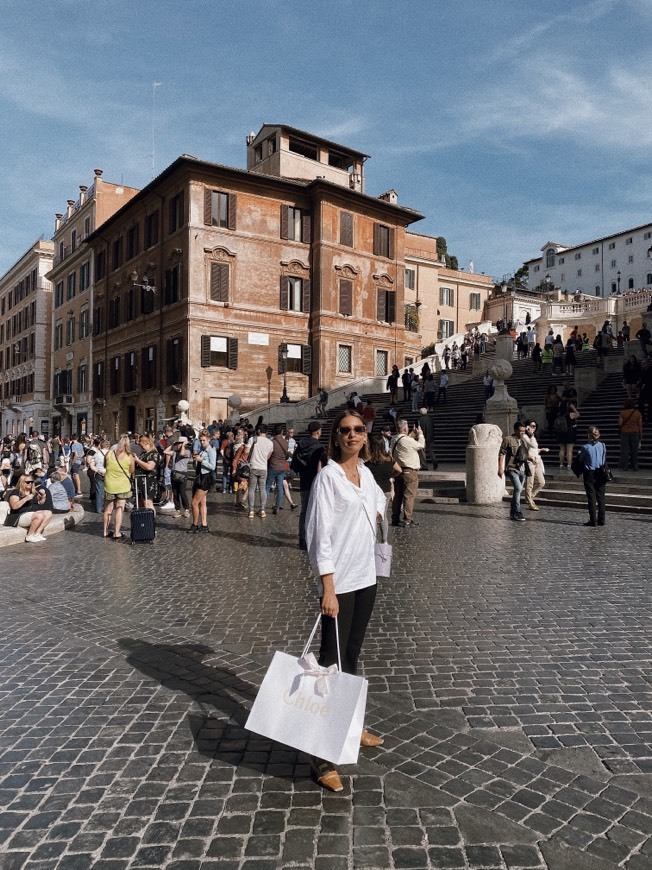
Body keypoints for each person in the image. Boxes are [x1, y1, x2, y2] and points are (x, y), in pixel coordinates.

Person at [305, 410, 386, 793]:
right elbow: (318, 535)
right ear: (335, 437)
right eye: (345, 431)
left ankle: (352, 727)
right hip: (339, 582)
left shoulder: (366, 475)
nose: (353, 435)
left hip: (365, 577)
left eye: (358, 430)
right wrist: (328, 587)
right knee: (331, 663)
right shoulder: (328, 478)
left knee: (351, 655)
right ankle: (322, 758)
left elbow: (377, 510)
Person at [292, 422, 328, 549]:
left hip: (304, 481)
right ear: (318, 431)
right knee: (316, 512)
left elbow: (294, 465)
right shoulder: (320, 448)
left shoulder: (300, 445)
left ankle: (302, 538)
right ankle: (313, 538)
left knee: (304, 511)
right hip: (317, 483)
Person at [365, 434, 399, 544]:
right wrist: (391, 476)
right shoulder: (389, 459)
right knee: (383, 515)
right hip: (386, 490)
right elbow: (399, 470)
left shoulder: (368, 461)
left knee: (372, 514)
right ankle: (384, 540)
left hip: (372, 491)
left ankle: (372, 538)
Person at [391, 418, 424, 527]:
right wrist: (420, 435)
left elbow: (406, 440)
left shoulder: (394, 438)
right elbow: (420, 445)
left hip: (398, 471)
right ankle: (407, 519)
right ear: (405, 428)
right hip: (409, 472)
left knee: (398, 496)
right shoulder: (407, 440)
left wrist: (412, 434)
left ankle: (395, 518)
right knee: (409, 496)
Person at [103, 435, 135, 540]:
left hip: (109, 484)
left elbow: (105, 466)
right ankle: (117, 532)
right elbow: (131, 471)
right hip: (123, 485)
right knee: (119, 508)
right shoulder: (129, 456)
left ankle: (105, 531)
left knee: (108, 509)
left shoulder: (109, 453)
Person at [5, 474, 53, 542]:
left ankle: (37, 533)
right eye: (28, 482)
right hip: (19, 516)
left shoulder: (33, 492)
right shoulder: (16, 492)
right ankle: (29, 536)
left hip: (31, 514)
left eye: (32, 482)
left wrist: (43, 496)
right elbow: (14, 506)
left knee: (49, 513)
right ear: (22, 482)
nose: (30, 483)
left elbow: (40, 502)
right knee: (39, 515)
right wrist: (26, 498)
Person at [577, 426, 608, 527]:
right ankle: (602, 519)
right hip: (600, 472)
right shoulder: (603, 445)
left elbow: (581, 460)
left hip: (589, 473)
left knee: (591, 497)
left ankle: (593, 520)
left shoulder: (585, 447)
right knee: (601, 497)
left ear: (588, 435)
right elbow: (603, 459)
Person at [498, 421, 528, 522]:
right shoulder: (508, 439)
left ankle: (512, 512)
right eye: (520, 431)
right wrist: (500, 468)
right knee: (518, 488)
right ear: (515, 430)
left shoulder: (523, 441)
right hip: (512, 468)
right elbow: (502, 453)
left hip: (523, 469)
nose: (522, 433)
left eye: (524, 431)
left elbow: (524, 455)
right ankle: (517, 511)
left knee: (518, 491)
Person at [187, 429, 217, 533]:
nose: (202, 442)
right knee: (202, 502)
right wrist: (196, 461)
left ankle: (194, 524)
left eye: (204, 440)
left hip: (206, 478)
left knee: (194, 502)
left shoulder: (211, 451)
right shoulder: (202, 451)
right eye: (200, 440)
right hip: (199, 476)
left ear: (208, 440)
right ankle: (204, 525)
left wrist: (202, 461)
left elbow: (213, 466)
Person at [245, 424, 273, 519]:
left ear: (258, 431)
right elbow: (268, 456)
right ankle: (262, 510)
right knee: (262, 489)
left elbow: (246, 452)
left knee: (251, 489)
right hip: (263, 468)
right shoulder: (270, 442)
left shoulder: (252, 439)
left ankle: (251, 511)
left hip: (253, 467)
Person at [522, 420, 548, 510]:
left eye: (535, 426)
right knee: (530, 483)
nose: (534, 428)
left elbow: (534, 448)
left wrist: (541, 449)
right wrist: (531, 434)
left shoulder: (532, 437)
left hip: (536, 461)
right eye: (532, 426)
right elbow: (531, 445)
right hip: (530, 461)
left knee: (541, 482)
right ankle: (530, 502)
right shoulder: (525, 436)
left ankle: (530, 497)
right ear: (527, 427)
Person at [265, 425, 290, 515]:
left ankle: (263, 507)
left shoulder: (271, 442)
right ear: (282, 432)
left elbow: (269, 454)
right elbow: (286, 455)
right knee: (280, 487)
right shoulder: (285, 442)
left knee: (267, 487)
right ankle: (277, 506)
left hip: (272, 466)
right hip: (282, 467)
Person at [133, 433, 160, 509]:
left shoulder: (153, 453)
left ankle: (150, 520)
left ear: (147, 443)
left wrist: (137, 460)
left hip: (148, 481)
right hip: (141, 481)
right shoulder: (144, 453)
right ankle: (144, 520)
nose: (141, 448)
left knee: (148, 504)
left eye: (142, 446)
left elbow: (149, 467)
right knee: (142, 504)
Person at [618, 398, 643, 471]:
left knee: (625, 449)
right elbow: (640, 425)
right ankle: (635, 465)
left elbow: (620, 424)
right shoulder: (638, 413)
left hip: (625, 432)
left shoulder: (622, 413)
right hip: (635, 432)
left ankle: (625, 466)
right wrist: (641, 435)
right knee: (634, 450)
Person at [555, 399, 580, 469]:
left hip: (560, 433)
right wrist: (573, 407)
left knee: (562, 449)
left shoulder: (558, 414)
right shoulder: (570, 414)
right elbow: (578, 414)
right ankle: (569, 464)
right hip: (569, 433)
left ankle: (561, 464)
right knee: (569, 450)